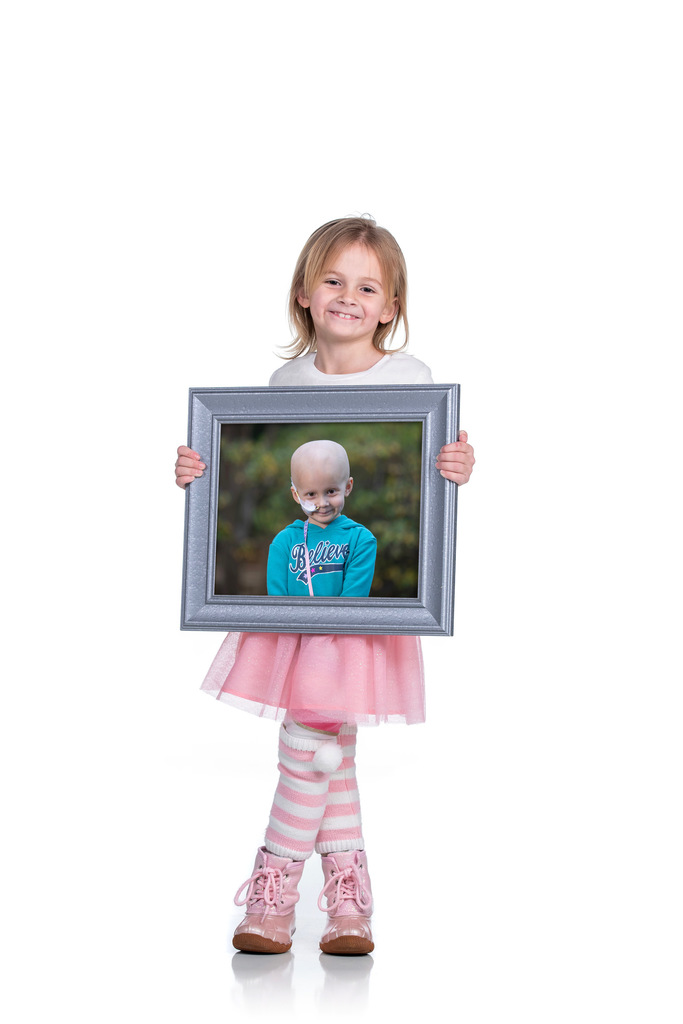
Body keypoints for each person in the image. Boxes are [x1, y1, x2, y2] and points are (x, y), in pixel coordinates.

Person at [175, 216, 475, 956]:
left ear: (389, 307)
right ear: (305, 293)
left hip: (362, 618)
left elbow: (430, 473)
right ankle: (347, 899)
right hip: (294, 618)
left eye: (367, 286)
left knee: (314, 741)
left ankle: (275, 889)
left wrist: (457, 468)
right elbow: (246, 478)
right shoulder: (283, 384)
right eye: (333, 280)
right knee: (323, 742)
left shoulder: (410, 381)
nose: (348, 296)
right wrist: (198, 475)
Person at [268, 439, 377, 598]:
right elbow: (276, 605)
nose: (322, 503)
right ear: (296, 495)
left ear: (347, 487)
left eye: (331, 491)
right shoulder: (283, 542)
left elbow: (353, 603)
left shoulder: (361, 540)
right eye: (311, 494)